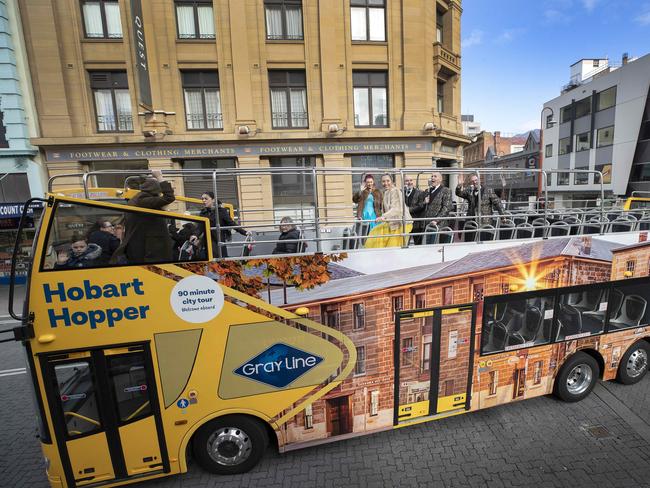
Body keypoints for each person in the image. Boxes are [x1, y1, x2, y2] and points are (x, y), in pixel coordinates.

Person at [112, 169, 176, 264]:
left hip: (145, 249)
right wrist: (159, 177)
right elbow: (169, 197)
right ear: (155, 191)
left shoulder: (140, 199)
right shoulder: (144, 200)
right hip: (150, 252)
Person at [364, 174, 412, 248]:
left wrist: (383, 216)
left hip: (401, 223)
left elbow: (396, 209)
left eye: (388, 181)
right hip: (392, 222)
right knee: (375, 231)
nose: (385, 183)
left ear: (392, 181)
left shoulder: (395, 191)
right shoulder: (386, 192)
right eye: (383, 181)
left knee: (393, 246)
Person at [200, 191, 250, 258]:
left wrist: (244, 232)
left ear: (213, 200)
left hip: (218, 241)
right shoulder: (202, 212)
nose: (203, 200)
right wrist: (194, 235)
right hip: (206, 242)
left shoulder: (221, 211)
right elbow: (199, 227)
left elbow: (231, 223)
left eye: (206, 199)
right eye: (202, 199)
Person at [455, 173, 504, 240]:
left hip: (484, 221)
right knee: (470, 241)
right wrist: (459, 185)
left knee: (483, 241)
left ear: (479, 180)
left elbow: (498, 203)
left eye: (476, 180)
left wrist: (503, 216)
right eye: (472, 181)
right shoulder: (469, 190)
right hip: (471, 220)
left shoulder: (488, 190)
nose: (475, 182)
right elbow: (459, 193)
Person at [415, 172, 453, 244]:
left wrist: (436, 220)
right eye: (432, 176)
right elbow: (421, 205)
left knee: (435, 246)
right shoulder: (427, 190)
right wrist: (424, 202)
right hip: (427, 224)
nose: (432, 178)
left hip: (438, 224)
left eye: (435, 176)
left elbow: (447, 207)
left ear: (440, 179)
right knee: (425, 244)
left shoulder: (446, 190)